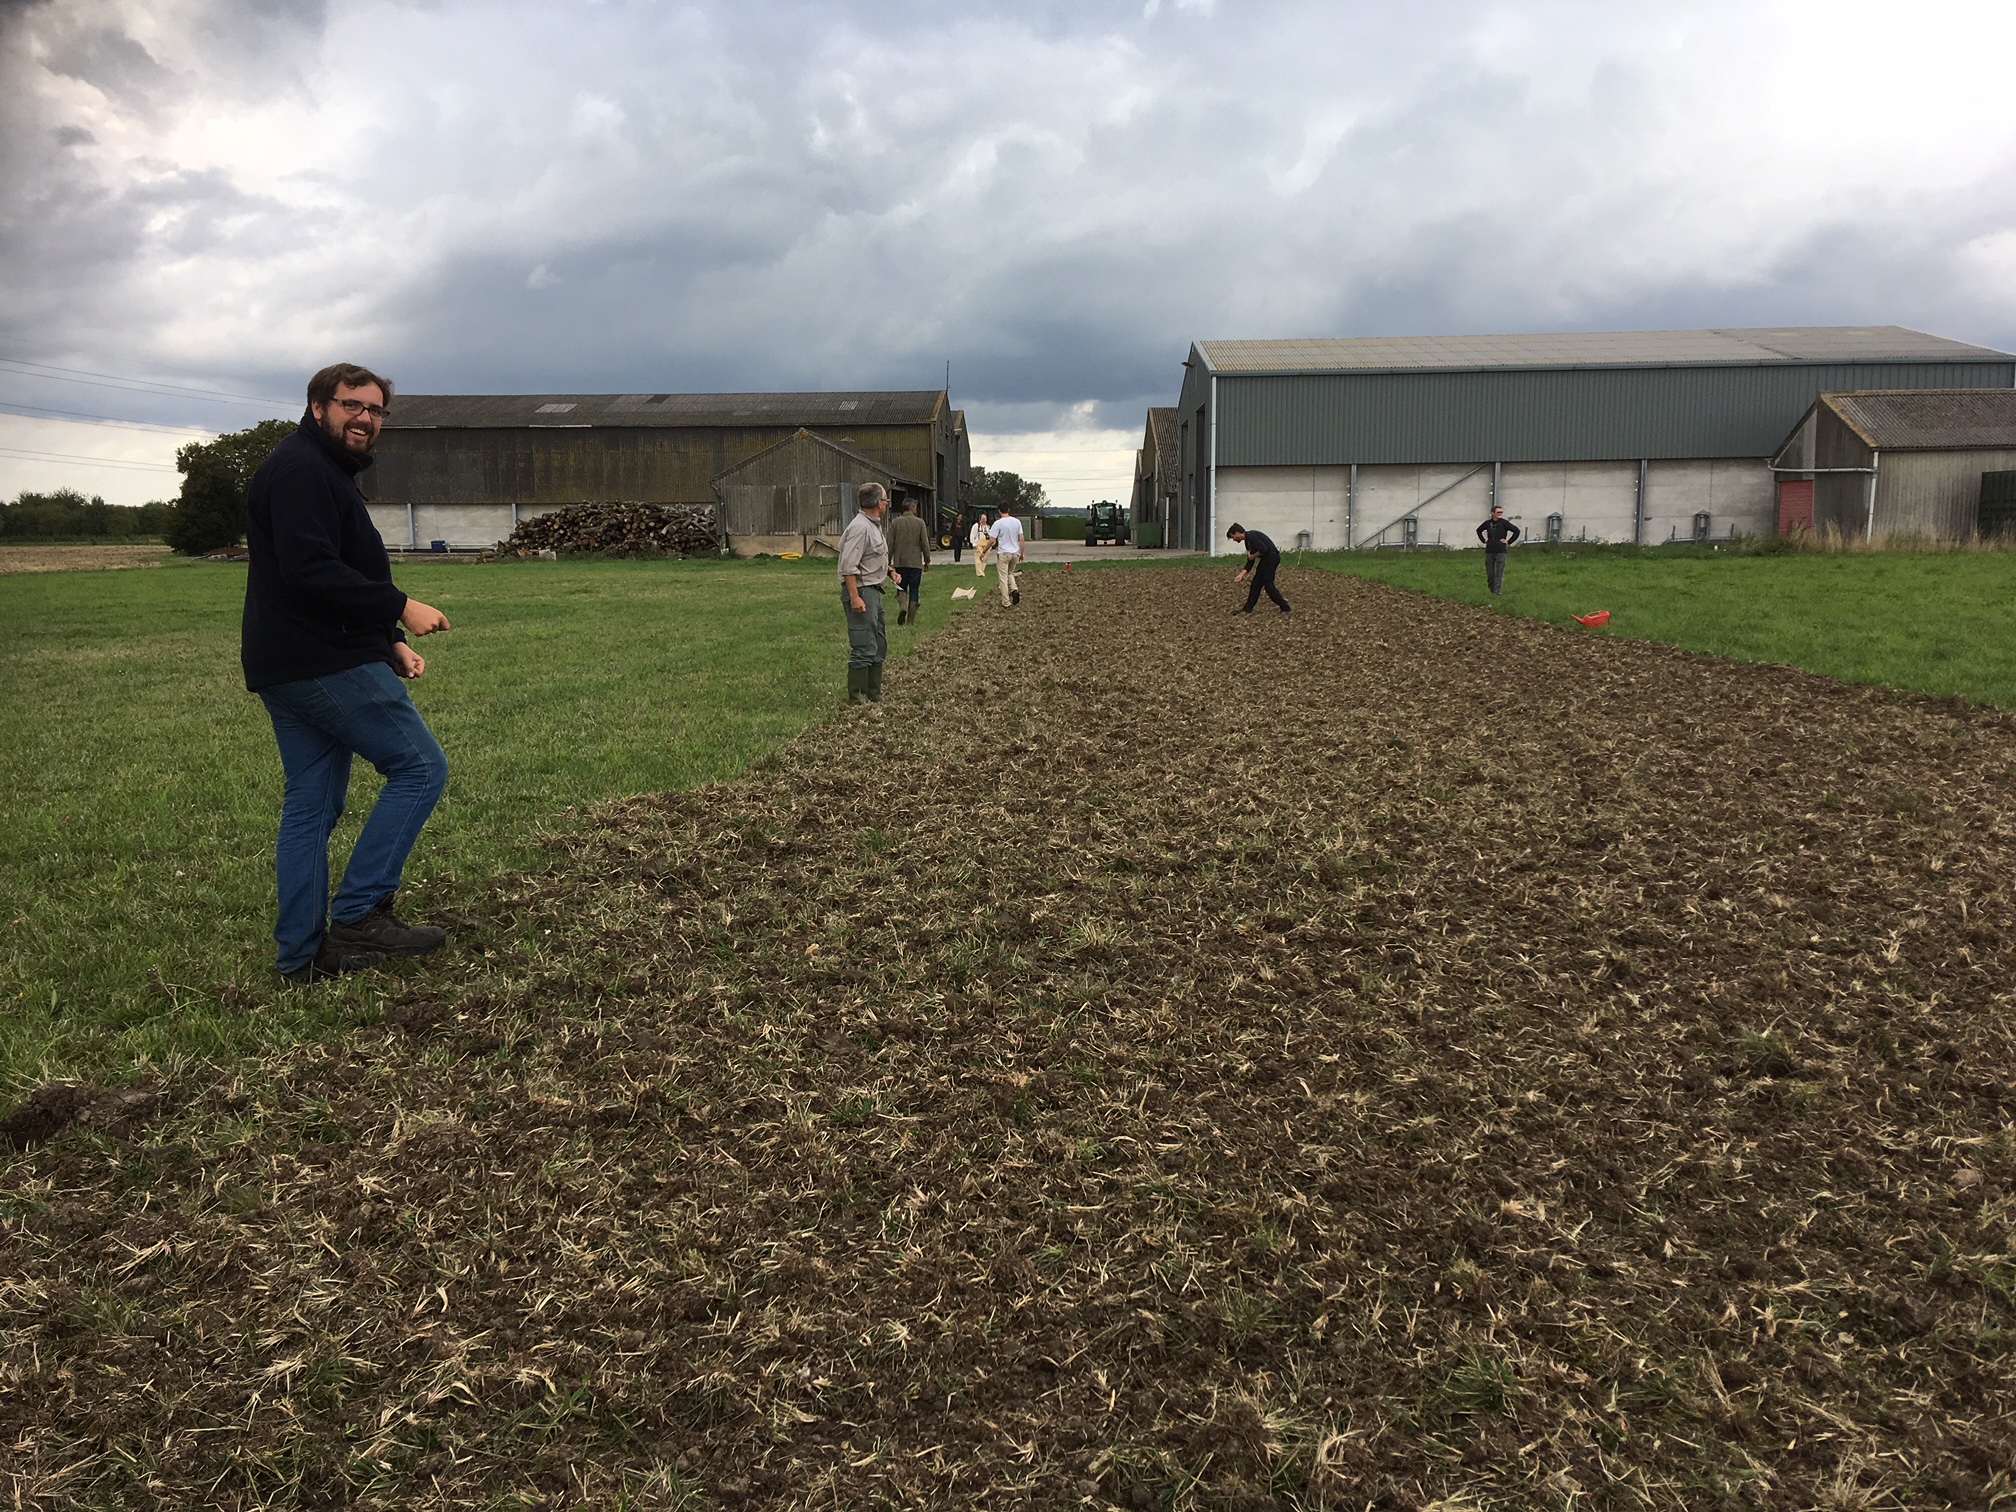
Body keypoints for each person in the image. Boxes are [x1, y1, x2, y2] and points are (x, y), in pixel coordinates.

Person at [243, 363, 454, 984]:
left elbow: (329, 572)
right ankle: (360, 915)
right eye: (351, 405)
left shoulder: (316, 470)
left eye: (376, 410)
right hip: (323, 662)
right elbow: (311, 571)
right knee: (420, 768)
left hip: (290, 660)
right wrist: (400, 608)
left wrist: (387, 641)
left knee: (312, 805)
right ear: (318, 407)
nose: (365, 418)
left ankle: (301, 957)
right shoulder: (303, 471)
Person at [838, 480, 891, 703]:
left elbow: (871, 557)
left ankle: (874, 694)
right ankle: (857, 697)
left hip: (875, 590)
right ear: (879, 503)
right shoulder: (860, 528)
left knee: (878, 642)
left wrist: (889, 571)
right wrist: (855, 597)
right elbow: (849, 566)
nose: (887, 503)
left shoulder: (873, 525)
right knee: (864, 644)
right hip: (862, 591)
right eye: (886, 499)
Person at [1226, 523, 1291, 614]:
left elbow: (1263, 549)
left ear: (1237, 533)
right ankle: (1247, 609)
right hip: (1266, 559)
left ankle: (1285, 607)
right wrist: (1241, 575)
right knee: (1256, 584)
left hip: (1271, 558)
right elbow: (1250, 560)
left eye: (1233, 537)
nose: (1233, 539)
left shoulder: (1252, 536)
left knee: (1268, 585)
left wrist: (1253, 556)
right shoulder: (1248, 540)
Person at [886, 495, 931, 625]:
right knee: (914, 590)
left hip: (900, 562)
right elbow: (925, 544)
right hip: (915, 562)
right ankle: (910, 621)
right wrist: (927, 560)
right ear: (912, 508)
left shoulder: (895, 523)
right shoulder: (920, 522)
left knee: (901, 587)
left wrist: (887, 562)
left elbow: (890, 543)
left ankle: (903, 607)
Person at [1476, 505, 1521, 595]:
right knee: (1490, 574)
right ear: (1493, 513)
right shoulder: (1488, 523)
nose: (1500, 514)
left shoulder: (1504, 523)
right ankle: (1492, 590)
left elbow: (1516, 531)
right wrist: (1484, 540)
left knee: (1499, 573)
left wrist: (1508, 541)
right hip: (1490, 551)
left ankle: (1497, 593)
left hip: (1501, 551)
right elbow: (1479, 530)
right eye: (1498, 512)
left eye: (1501, 512)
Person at [988, 504, 1025, 606]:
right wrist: (1022, 553)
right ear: (1008, 510)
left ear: (999, 511)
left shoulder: (998, 523)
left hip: (1004, 553)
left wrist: (984, 552)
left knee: (1003, 578)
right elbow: (1021, 539)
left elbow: (992, 540)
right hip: (1015, 553)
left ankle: (1006, 602)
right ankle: (1014, 589)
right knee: (1010, 573)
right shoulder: (1017, 522)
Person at [971, 512, 992, 577]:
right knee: (978, 558)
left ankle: (982, 570)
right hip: (978, 545)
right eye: (983, 519)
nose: (984, 520)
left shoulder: (987, 527)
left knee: (985, 559)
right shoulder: (976, 526)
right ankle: (979, 573)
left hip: (986, 545)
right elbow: (972, 535)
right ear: (980, 519)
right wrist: (973, 544)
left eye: (985, 519)